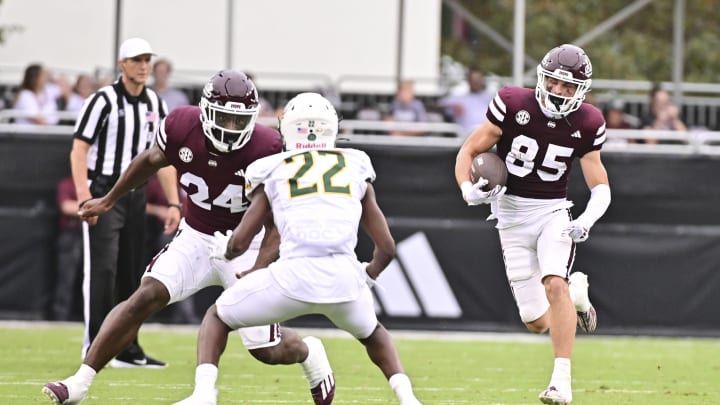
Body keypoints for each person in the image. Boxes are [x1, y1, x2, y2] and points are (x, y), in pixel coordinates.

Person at [42, 70, 334, 405]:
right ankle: (80, 381)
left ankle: (310, 352)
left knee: (267, 350)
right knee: (144, 296)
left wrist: (259, 265)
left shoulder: (267, 148)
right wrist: (109, 199)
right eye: (224, 118)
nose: (231, 128)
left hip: (246, 244)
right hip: (196, 235)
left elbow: (276, 224)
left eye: (240, 121)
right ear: (207, 111)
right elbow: (151, 159)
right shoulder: (181, 124)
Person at [173, 92, 422, 405]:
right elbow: (386, 248)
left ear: (287, 128)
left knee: (216, 317)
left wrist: (225, 250)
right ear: (332, 127)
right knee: (374, 333)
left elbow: (240, 241)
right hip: (344, 280)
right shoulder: (355, 165)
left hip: (291, 279)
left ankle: (204, 394)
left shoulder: (273, 168)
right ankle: (408, 397)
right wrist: (367, 274)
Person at [454, 44, 609, 405]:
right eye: (554, 83)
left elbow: (600, 185)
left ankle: (561, 383)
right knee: (536, 321)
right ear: (542, 79)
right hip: (509, 217)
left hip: (552, 212)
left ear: (581, 91)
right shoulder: (512, 103)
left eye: (568, 87)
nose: (559, 92)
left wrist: (586, 219)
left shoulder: (588, 122)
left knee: (554, 283)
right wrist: (466, 189)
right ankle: (576, 298)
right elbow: (469, 151)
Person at [68, 37, 179, 370]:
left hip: (136, 194)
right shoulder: (102, 101)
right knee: (102, 270)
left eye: (147, 59)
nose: (144, 66)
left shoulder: (155, 104)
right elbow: (79, 149)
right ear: (122, 64)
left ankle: (127, 347)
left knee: (133, 273)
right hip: (103, 192)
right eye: (137, 60)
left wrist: (174, 203)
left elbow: (164, 159)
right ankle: (95, 346)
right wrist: (83, 196)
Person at [50, 176, 84, 321]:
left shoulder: (97, 184)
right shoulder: (67, 184)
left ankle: (90, 316)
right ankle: (61, 316)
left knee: (93, 277)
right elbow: (66, 206)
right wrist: (92, 209)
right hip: (72, 234)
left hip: (92, 235)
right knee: (66, 277)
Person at [440, 67, 493, 136]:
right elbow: (438, 105)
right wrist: (452, 106)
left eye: (478, 79)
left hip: (489, 136)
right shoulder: (459, 98)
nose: (476, 82)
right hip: (466, 137)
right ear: (469, 81)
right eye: (474, 80)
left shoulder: (490, 98)